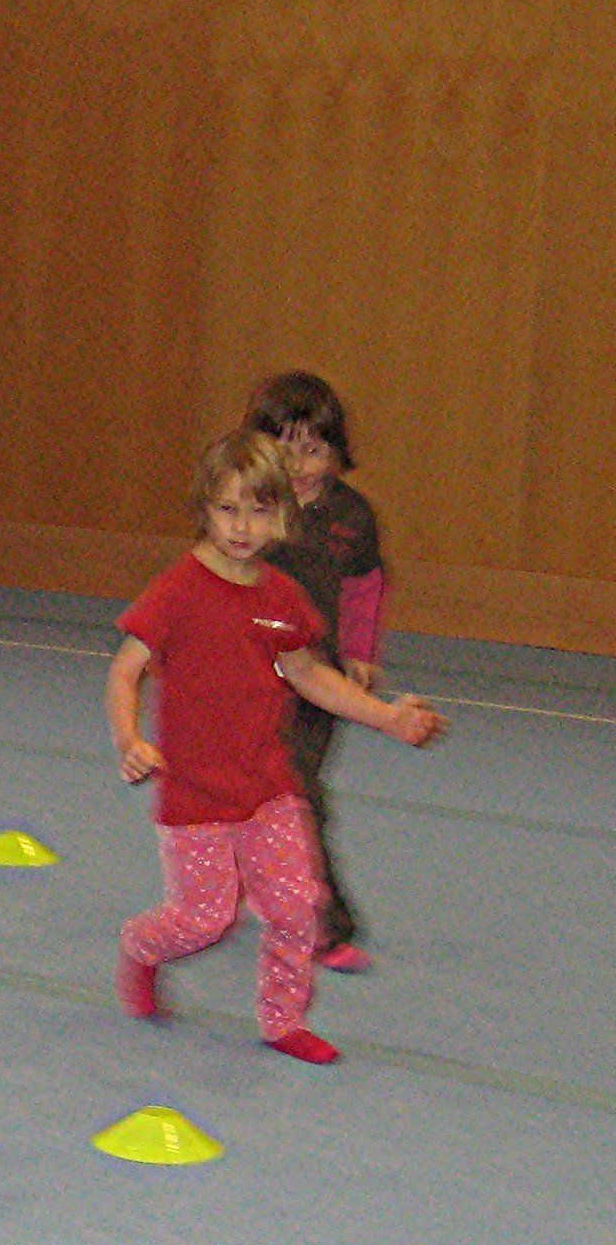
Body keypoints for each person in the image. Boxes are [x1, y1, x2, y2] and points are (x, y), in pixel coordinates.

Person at [108, 431, 443, 1064]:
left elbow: (310, 675)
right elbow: (127, 670)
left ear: (282, 516)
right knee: (206, 920)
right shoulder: (179, 591)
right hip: (197, 797)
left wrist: (386, 718)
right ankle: (142, 948)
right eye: (228, 509)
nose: (242, 527)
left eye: (260, 511)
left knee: (297, 910)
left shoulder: (282, 597)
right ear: (204, 510)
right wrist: (131, 739)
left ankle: (283, 1019)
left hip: (269, 789)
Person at [246, 372, 386, 973]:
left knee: (299, 790)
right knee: (251, 791)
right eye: (284, 449)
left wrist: (360, 651)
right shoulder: (249, 507)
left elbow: (365, 585)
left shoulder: (352, 517)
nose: (299, 465)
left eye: (313, 449)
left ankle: (323, 920)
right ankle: (249, 877)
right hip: (251, 676)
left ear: (336, 452)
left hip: (316, 681)